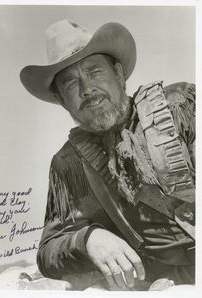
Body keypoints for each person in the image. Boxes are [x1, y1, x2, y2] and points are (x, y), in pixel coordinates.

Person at [20, 19, 195, 291]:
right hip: (158, 283)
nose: (87, 88)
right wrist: (88, 239)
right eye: (71, 84)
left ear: (119, 73)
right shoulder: (68, 163)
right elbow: (48, 251)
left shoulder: (179, 106)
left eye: (94, 71)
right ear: (62, 101)